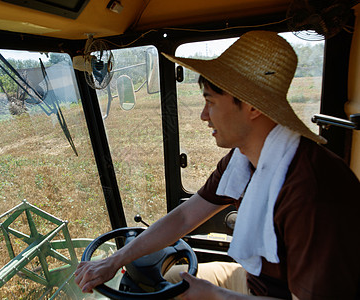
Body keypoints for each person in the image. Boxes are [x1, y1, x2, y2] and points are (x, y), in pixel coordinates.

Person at [75, 30, 360, 299]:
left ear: (251, 106)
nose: (203, 115)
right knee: (165, 281)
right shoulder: (247, 158)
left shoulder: (312, 193)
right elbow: (186, 217)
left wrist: (214, 295)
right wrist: (116, 260)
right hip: (254, 280)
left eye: (210, 101)